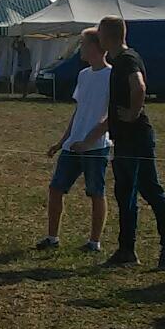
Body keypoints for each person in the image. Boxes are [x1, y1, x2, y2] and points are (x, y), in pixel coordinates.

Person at [99, 16, 165, 270]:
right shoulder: (119, 61)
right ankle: (126, 250)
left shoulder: (127, 60)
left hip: (136, 138)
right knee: (125, 193)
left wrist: (133, 113)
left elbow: (139, 86)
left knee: (149, 189)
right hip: (124, 139)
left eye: (100, 33)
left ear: (108, 36)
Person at [38, 29, 112, 252]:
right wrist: (63, 141)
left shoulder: (112, 75)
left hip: (96, 147)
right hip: (73, 145)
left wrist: (89, 141)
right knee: (56, 189)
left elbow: (111, 116)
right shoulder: (84, 75)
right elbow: (79, 111)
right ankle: (52, 238)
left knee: (96, 193)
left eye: (83, 44)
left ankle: (94, 242)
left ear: (95, 47)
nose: (80, 49)